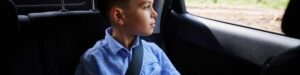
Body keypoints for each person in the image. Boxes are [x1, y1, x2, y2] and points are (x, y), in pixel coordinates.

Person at [74, 0, 180, 75]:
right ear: (119, 16)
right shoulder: (93, 60)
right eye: (146, 6)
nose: (155, 13)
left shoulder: (154, 51)